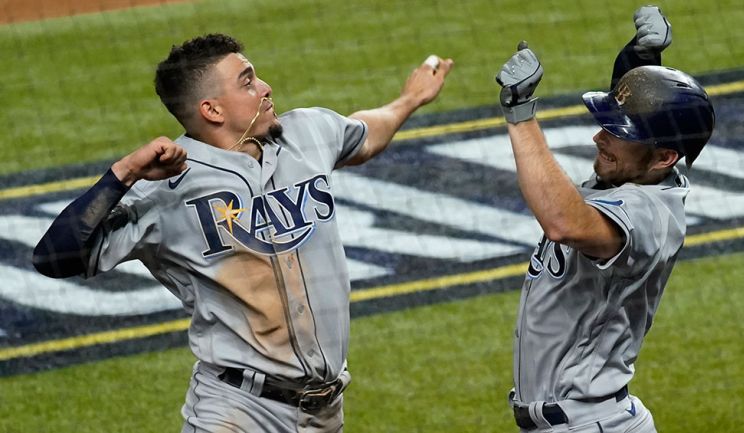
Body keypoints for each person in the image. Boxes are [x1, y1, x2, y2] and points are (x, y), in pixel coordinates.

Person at [32, 33, 452, 432]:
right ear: (212, 110)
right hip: (236, 411)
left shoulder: (308, 132)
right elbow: (53, 258)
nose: (265, 87)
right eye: (247, 82)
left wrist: (410, 99)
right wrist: (122, 174)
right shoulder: (165, 188)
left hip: (325, 410)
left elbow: (364, 134)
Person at [495, 6, 714, 433]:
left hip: (591, 424)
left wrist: (520, 115)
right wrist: (640, 59)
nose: (599, 137)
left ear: (664, 157)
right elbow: (633, 134)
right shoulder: (632, 172)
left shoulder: (649, 215)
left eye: (618, 133)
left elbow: (563, 222)